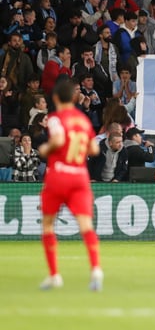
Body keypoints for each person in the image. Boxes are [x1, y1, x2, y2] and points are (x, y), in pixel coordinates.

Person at [37, 80, 103, 291]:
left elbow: (57, 140)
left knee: (48, 225)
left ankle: (54, 275)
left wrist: (45, 149)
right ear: (74, 97)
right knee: (86, 226)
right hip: (80, 177)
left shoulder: (56, 118)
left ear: (56, 98)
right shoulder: (83, 120)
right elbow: (94, 149)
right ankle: (96, 269)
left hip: (58, 176)